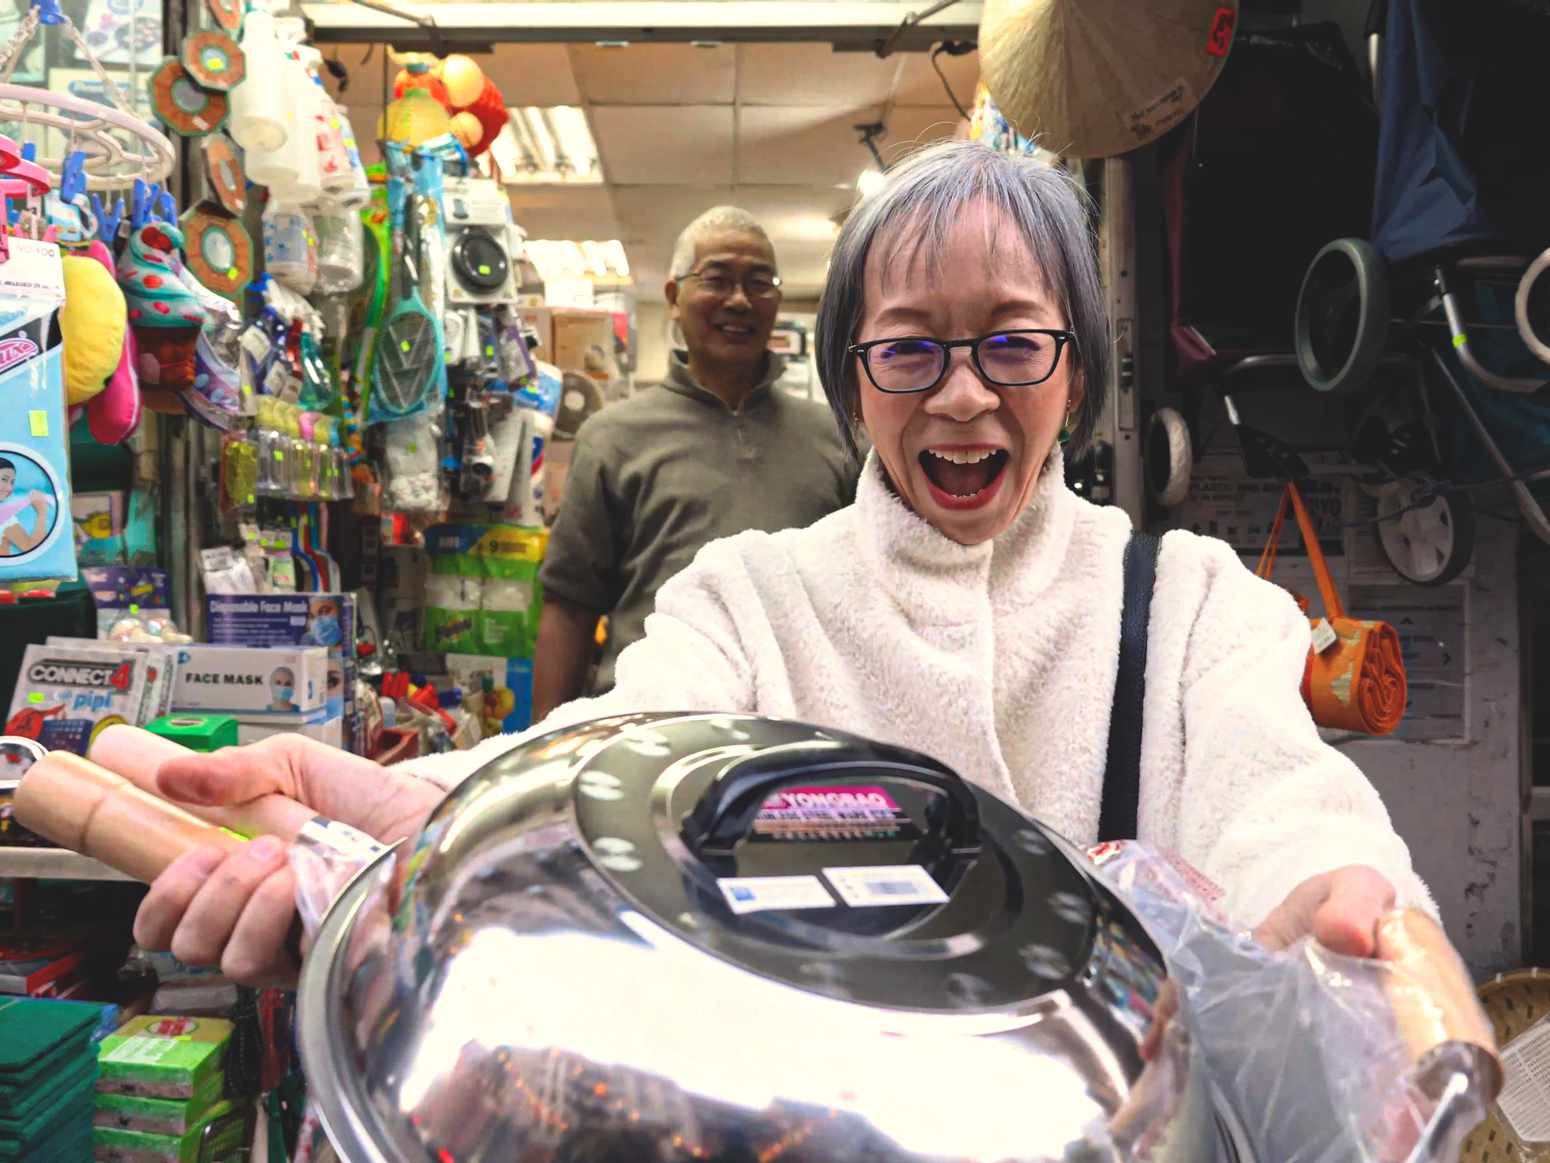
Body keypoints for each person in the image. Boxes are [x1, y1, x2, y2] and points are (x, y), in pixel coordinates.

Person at [117, 140, 1440, 991]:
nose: (964, 395)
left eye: (1012, 344)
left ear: (1076, 371)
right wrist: (419, 809)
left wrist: (1335, 898)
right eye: (910, 346)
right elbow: (618, 747)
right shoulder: (750, 596)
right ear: (854, 376)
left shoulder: (1191, 598)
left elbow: (1281, 802)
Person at [532, 206, 857, 718]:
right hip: (644, 727)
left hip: (800, 728)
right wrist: (545, 754)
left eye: (759, 282)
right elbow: (570, 608)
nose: (739, 300)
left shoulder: (836, 438)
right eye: (717, 279)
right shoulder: (612, 438)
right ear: (674, 297)